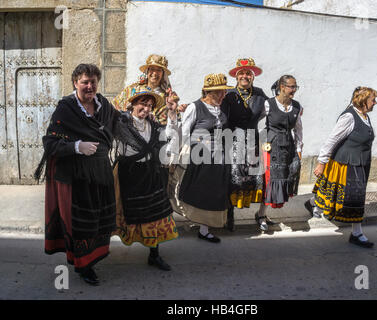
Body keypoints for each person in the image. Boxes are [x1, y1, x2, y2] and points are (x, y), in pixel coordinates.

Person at [34, 64, 120, 285]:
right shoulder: (67, 108)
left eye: (93, 82)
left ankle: (94, 257)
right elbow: (50, 143)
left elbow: (119, 124)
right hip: (77, 176)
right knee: (83, 222)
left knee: (99, 219)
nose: (89, 86)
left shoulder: (104, 106)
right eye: (84, 82)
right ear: (75, 83)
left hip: (101, 173)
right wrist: (77, 146)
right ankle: (84, 266)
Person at [112, 87, 179, 271]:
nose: (146, 108)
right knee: (114, 213)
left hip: (149, 174)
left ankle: (154, 255)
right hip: (126, 174)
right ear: (133, 104)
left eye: (150, 105)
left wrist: (172, 113)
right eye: (143, 103)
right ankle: (97, 252)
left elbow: (169, 136)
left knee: (154, 214)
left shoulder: (154, 126)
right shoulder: (121, 123)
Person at [305, 86, 377, 248]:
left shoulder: (364, 115)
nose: (375, 103)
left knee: (339, 196)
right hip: (346, 164)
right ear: (363, 101)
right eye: (373, 99)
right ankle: (356, 234)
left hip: (360, 163)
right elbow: (332, 140)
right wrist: (321, 162)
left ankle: (312, 202)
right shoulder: (349, 117)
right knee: (354, 199)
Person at [169, 73, 233, 243]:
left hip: (218, 160)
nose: (222, 96)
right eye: (218, 92)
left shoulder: (221, 108)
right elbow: (183, 133)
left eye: (223, 92)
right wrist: (175, 157)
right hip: (198, 159)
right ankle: (170, 223)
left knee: (210, 195)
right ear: (207, 92)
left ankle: (204, 230)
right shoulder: (195, 107)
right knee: (189, 191)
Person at [220, 58, 268, 231]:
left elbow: (270, 110)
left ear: (253, 76)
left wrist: (293, 108)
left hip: (253, 141)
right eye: (242, 73)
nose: (245, 76)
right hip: (233, 142)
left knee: (252, 180)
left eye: (248, 73)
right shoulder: (229, 94)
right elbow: (221, 116)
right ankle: (229, 215)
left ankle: (260, 214)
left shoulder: (260, 94)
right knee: (232, 179)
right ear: (236, 76)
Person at [256, 75, 303, 231]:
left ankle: (263, 213)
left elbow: (298, 129)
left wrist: (299, 150)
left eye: (295, 87)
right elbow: (254, 120)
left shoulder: (296, 106)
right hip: (271, 147)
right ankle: (261, 215)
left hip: (287, 146)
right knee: (269, 181)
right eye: (291, 86)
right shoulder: (268, 104)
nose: (294, 90)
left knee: (284, 178)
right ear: (282, 87)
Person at [112, 54, 186, 125]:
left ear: (163, 74)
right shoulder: (132, 90)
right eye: (152, 69)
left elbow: (174, 122)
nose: (155, 73)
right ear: (147, 71)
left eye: (159, 70)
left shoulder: (167, 98)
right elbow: (114, 106)